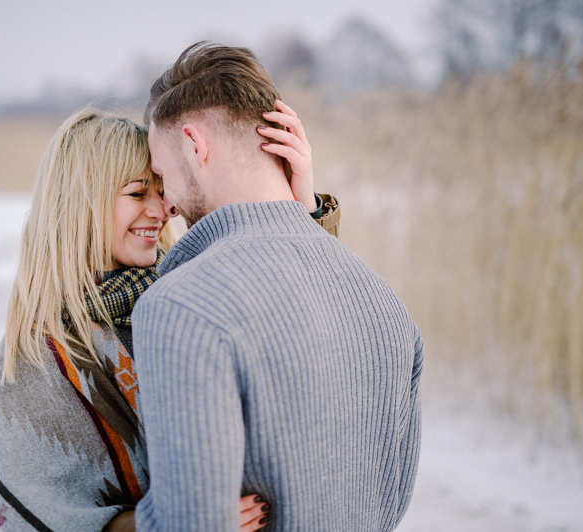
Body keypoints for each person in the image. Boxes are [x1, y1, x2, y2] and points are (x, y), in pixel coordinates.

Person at [0, 105, 339, 531]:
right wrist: (175, 523)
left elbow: (309, 323)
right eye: (137, 193)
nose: (163, 210)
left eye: (161, 190)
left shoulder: (194, 293)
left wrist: (302, 209)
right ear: (82, 203)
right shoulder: (24, 378)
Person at [131, 42, 424, 532]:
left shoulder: (182, 306)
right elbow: (391, 501)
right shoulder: (384, 303)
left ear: (194, 143)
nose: (170, 205)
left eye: (162, 174)